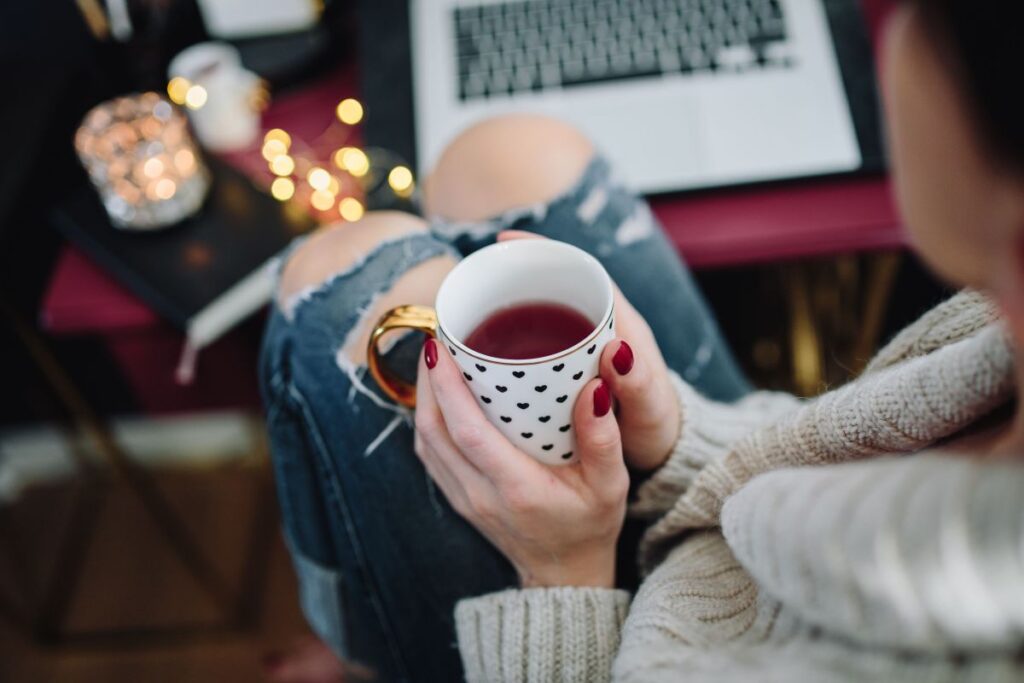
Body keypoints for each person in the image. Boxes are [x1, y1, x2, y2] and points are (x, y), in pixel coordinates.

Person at [259, 0, 1024, 680]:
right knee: (507, 152)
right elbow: (832, 462)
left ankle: (368, 639)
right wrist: (678, 439)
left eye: (929, 18)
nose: (888, 40)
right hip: (723, 517)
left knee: (336, 281)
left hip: (591, 628)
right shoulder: (1000, 329)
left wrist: (561, 574)